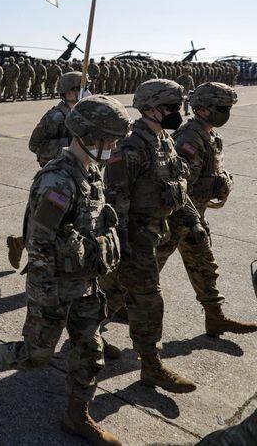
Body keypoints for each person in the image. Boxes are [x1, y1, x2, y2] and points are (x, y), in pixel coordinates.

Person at [0, 95, 130, 446]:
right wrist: (53, 290)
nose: (113, 147)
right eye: (108, 140)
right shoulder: (58, 181)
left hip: (84, 282)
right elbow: (40, 246)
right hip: (52, 284)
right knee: (36, 355)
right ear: (87, 135)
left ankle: (76, 414)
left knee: (89, 349)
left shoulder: (91, 172)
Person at [100, 79, 205, 393]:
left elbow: (178, 185)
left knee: (113, 293)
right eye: (169, 106)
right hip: (134, 238)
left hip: (156, 232)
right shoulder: (130, 147)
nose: (176, 112)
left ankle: (86, 333)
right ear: (149, 108)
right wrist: (122, 246)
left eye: (177, 106)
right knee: (149, 300)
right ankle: (151, 365)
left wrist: (193, 221)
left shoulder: (164, 140)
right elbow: (115, 200)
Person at [156, 83, 257, 336]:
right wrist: (192, 219)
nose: (226, 113)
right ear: (202, 108)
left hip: (193, 218)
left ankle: (215, 317)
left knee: (205, 267)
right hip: (176, 218)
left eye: (228, 108)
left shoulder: (211, 136)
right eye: (221, 108)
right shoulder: (189, 138)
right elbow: (178, 186)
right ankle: (106, 313)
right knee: (145, 271)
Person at [7, 72, 81, 270]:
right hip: (54, 178)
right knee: (43, 225)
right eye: (80, 88)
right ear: (68, 92)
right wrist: (70, 145)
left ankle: (22, 243)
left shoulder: (81, 114)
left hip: (76, 175)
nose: (85, 92)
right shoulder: (56, 117)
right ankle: (32, 257)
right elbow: (35, 144)